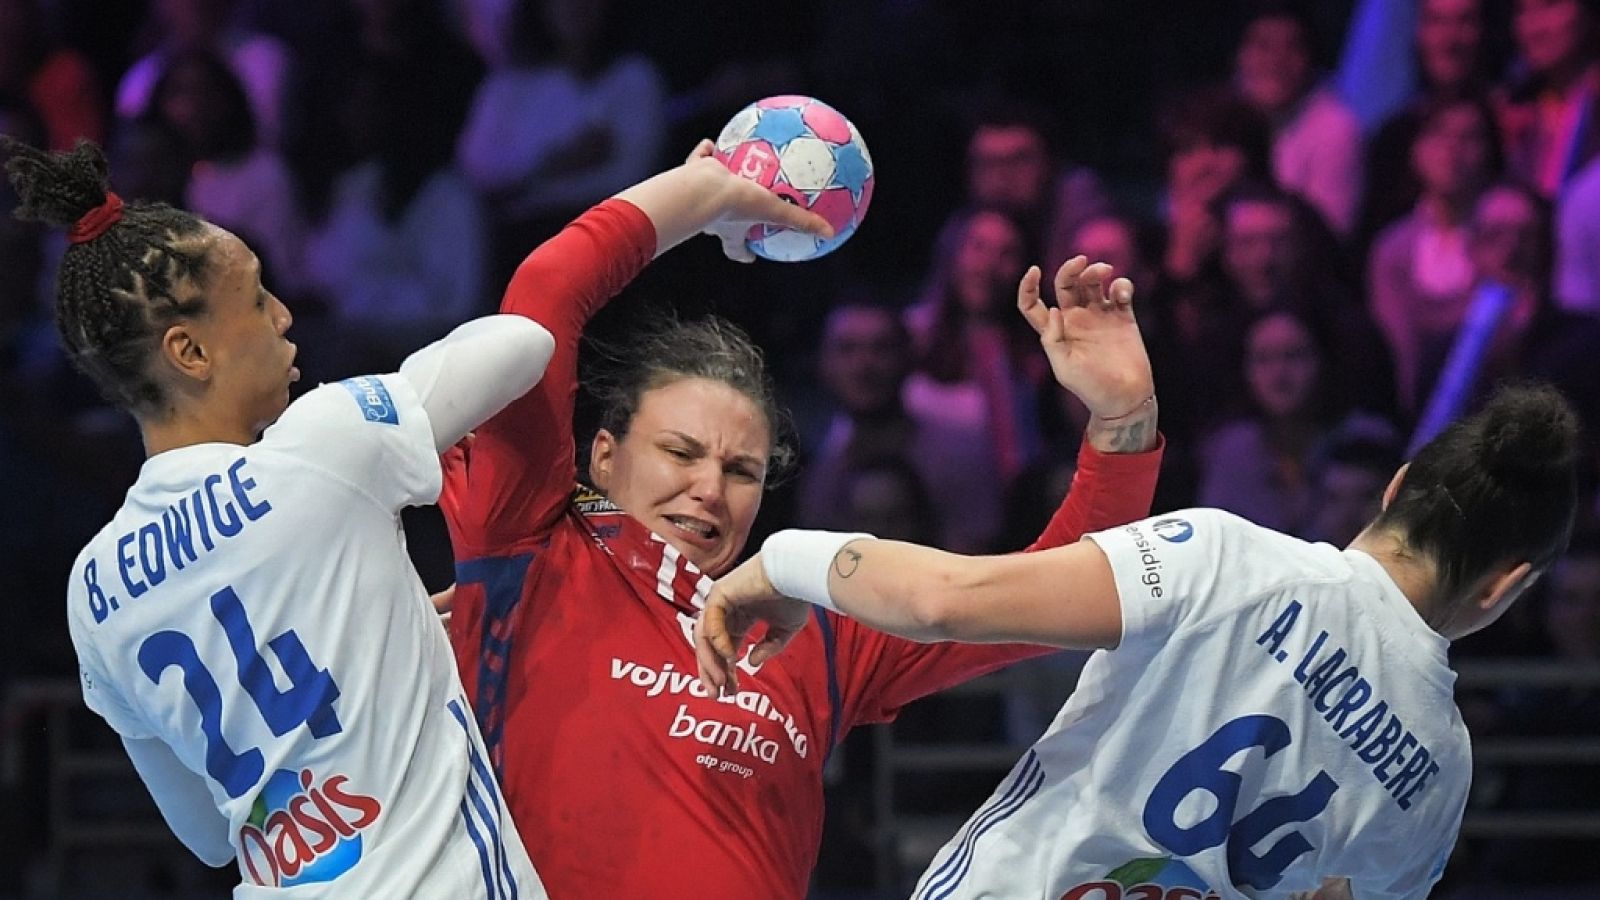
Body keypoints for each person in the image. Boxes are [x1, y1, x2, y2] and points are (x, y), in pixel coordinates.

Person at [437, 148, 1165, 898]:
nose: (708, 490)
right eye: (680, 453)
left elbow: (1054, 597)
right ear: (603, 455)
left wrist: (1121, 416)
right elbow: (544, 295)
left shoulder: (813, 628)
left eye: (741, 471)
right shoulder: (529, 545)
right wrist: (695, 198)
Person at [0, 132, 661, 895]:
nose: (284, 316)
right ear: (189, 351)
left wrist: (372, 635)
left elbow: (207, 833)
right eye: (257, 298)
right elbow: (523, 342)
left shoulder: (92, 590)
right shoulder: (318, 448)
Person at [699, 383, 1583, 899]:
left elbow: (943, 600)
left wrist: (783, 559)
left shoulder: (1228, 556)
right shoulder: (1442, 769)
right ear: (1506, 584)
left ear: (1396, 489)